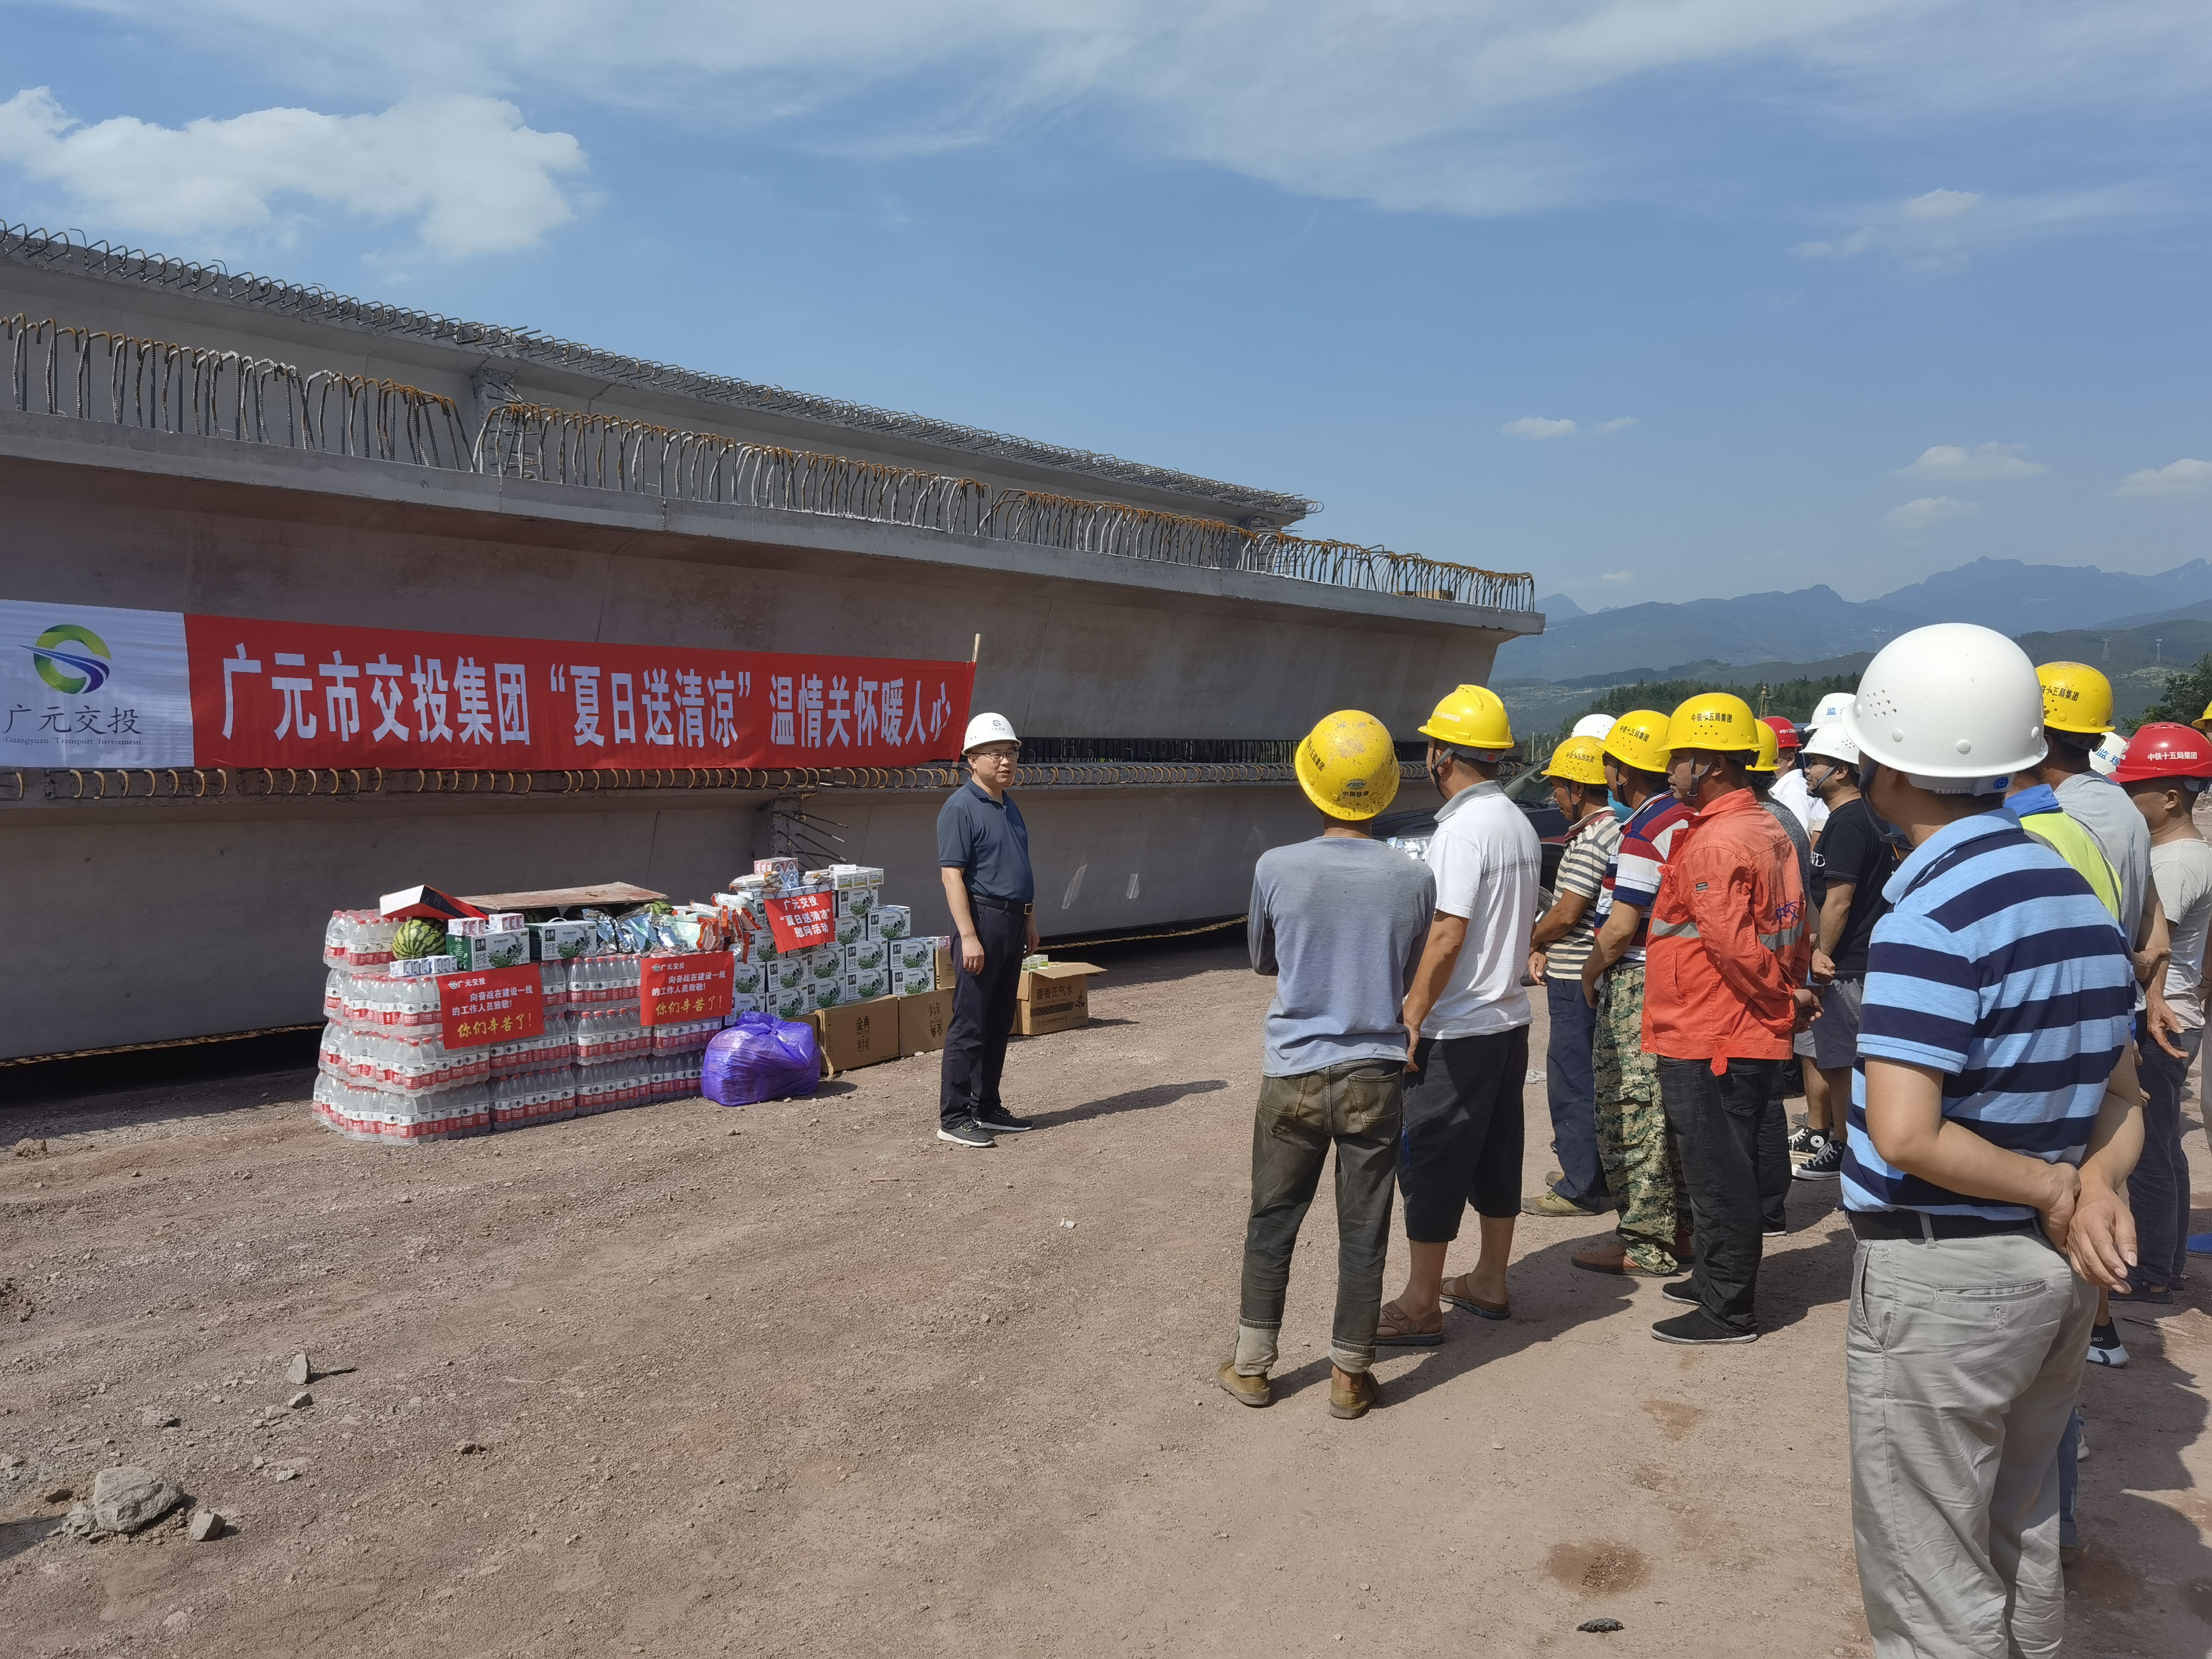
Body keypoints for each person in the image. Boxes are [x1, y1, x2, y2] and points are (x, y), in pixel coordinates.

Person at [1835, 623, 2141, 1659]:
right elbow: (2125, 1097)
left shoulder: (1929, 917)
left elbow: (1905, 1131)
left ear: (1886, 768)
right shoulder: (2074, 898)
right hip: (2052, 1278)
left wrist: (2057, 1188)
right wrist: (2095, 1185)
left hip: (1945, 1277)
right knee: (2024, 1534)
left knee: (1931, 1577)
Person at [1220, 711, 1435, 1421]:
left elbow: (1263, 959)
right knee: (1364, 1229)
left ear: (1311, 783)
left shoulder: (1275, 867)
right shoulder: (1414, 878)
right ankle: (1350, 1375)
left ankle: (1252, 1366)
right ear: (1384, 788)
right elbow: (1407, 971)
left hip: (1294, 1070)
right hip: (1376, 1070)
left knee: (1272, 1220)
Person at [1641, 693, 1812, 1344]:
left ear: (1710, 763)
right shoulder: (1763, 826)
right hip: (1736, 1025)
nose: (1669, 770)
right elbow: (1789, 925)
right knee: (1724, 1161)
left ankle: (1726, 1308)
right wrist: (1790, 992)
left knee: (1718, 1173)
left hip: (1713, 1029)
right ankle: (1716, 1280)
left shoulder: (1716, 842)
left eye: (1678, 758)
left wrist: (1780, 999)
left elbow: (1735, 947)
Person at [1376, 685, 1542, 1344]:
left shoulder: (1460, 830)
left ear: (1442, 755)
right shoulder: (1516, 821)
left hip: (1458, 1026)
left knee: (1433, 1158)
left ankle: (1421, 1302)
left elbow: (1447, 933)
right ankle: (1490, 1280)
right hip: (1507, 1020)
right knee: (1498, 1153)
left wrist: (1412, 1014)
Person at [1576, 710, 1695, 1278]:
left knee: (1629, 1109)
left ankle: (1646, 1240)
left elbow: (1621, 927)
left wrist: (1589, 971)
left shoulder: (1647, 830)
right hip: (1677, 976)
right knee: (1668, 1110)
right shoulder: (1686, 817)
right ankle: (1682, 1229)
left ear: (1622, 770)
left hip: (1637, 978)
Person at [2113, 723, 2212, 1300]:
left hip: (2162, 1020)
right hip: (2183, 1014)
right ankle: (2167, 1264)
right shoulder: (2196, 854)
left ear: (2171, 796)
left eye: (2135, 788)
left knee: (2148, 1150)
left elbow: (2152, 952)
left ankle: (2149, 1269)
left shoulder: (2174, 863)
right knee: (2166, 1146)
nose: (2126, 797)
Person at [1789, 724, 1891, 1183]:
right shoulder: (1863, 816)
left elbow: (1839, 901)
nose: (1807, 770)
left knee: (1840, 1062)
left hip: (1847, 963)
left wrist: (1821, 954)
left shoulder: (1849, 822)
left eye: (1815, 762)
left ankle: (1847, 1148)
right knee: (1844, 1060)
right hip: (1858, 958)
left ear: (1843, 770)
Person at [1525, 735, 1621, 1217]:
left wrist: (1532, 939)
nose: (1554, 797)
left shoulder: (1591, 839)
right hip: (1589, 971)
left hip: (1574, 976)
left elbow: (1566, 913)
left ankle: (1580, 1186)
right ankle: (1591, 1173)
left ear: (1577, 789)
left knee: (1571, 1080)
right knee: (1592, 1077)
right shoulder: (1611, 829)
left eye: (1558, 788)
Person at [935, 712, 1040, 1147]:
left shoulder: (1008, 804)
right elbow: (952, 876)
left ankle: (986, 1106)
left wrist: (1030, 919)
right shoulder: (960, 808)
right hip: (983, 921)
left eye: (1011, 752)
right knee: (971, 1023)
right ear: (971, 760)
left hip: (1013, 922)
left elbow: (1018, 866)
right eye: (995, 754)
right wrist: (969, 936)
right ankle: (954, 1116)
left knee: (998, 1021)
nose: (1005, 761)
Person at [1764, 715, 1828, 842]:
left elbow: (1799, 843)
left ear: (1790, 759)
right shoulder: (1787, 790)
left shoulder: (1793, 795)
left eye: (1769, 756)